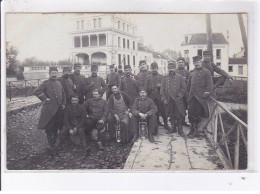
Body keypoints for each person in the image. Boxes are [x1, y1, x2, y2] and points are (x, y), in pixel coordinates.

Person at [33, 66, 66, 147]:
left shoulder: (59, 83)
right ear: (49, 74)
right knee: (49, 126)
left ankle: (55, 139)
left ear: (57, 74)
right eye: (52, 73)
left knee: (57, 124)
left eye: (55, 73)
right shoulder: (45, 83)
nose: (54, 75)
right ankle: (50, 141)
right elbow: (36, 91)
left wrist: (63, 103)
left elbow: (63, 94)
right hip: (49, 109)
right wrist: (45, 98)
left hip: (58, 108)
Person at [187, 56, 213, 139]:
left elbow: (209, 84)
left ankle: (199, 131)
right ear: (193, 63)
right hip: (192, 97)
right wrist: (188, 94)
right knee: (191, 113)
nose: (197, 63)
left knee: (199, 113)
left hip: (201, 97)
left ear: (201, 62)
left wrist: (206, 93)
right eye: (195, 62)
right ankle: (193, 129)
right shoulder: (192, 72)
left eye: (198, 62)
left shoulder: (206, 72)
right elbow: (188, 85)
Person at [160, 62, 187, 136]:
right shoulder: (165, 78)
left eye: (172, 68)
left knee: (179, 115)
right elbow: (161, 90)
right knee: (171, 114)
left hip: (177, 99)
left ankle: (180, 129)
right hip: (168, 100)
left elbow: (184, 88)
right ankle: (173, 127)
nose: (171, 69)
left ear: (175, 68)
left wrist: (179, 96)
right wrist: (163, 99)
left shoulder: (180, 77)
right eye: (169, 68)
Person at [147, 62, 168, 131]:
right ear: (151, 69)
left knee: (162, 110)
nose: (154, 70)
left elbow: (165, 87)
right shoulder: (148, 77)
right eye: (153, 68)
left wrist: (160, 86)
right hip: (152, 96)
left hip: (159, 95)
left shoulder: (162, 77)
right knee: (154, 111)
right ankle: (156, 123)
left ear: (157, 68)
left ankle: (166, 124)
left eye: (155, 68)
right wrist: (149, 88)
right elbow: (146, 87)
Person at [176, 57, 190, 126]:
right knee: (177, 107)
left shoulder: (187, 72)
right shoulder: (175, 71)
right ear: (177, 63)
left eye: (182, 62)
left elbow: (190, 82)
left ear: (184, 63)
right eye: (179, 62)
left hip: (186, 93)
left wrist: (185, 80)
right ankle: (177, 122)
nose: (180, 64)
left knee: (184, 107)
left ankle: (183, 121)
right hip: (177, 93)